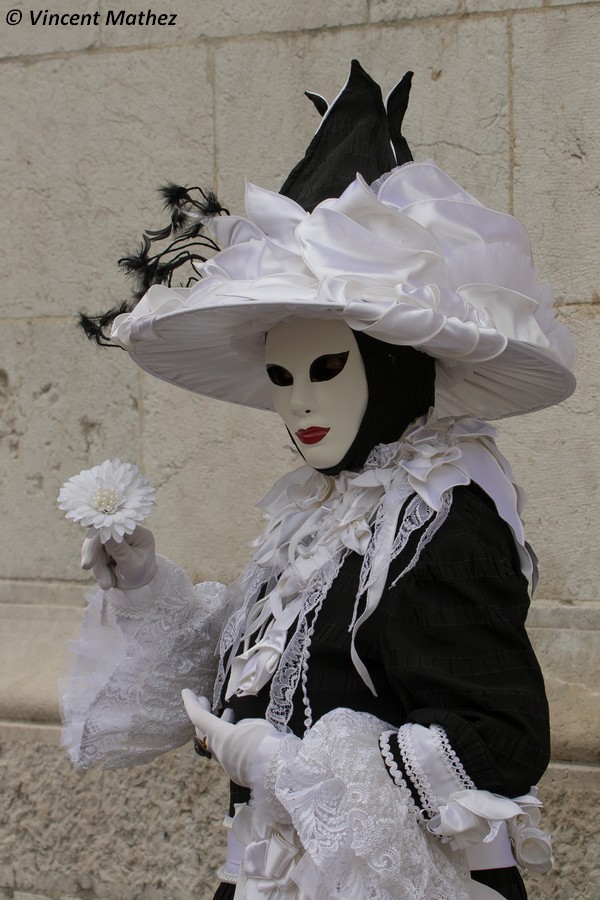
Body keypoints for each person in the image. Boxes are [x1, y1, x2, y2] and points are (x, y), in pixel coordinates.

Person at [62, 62, 575, 899]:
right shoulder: (320, 513)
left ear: (397, 368)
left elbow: (500, 739)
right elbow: (271, 672)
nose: (298, 402)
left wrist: (290, 767)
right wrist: (145, 586)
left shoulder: (444, 519)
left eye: (328, 368)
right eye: (283, 374)